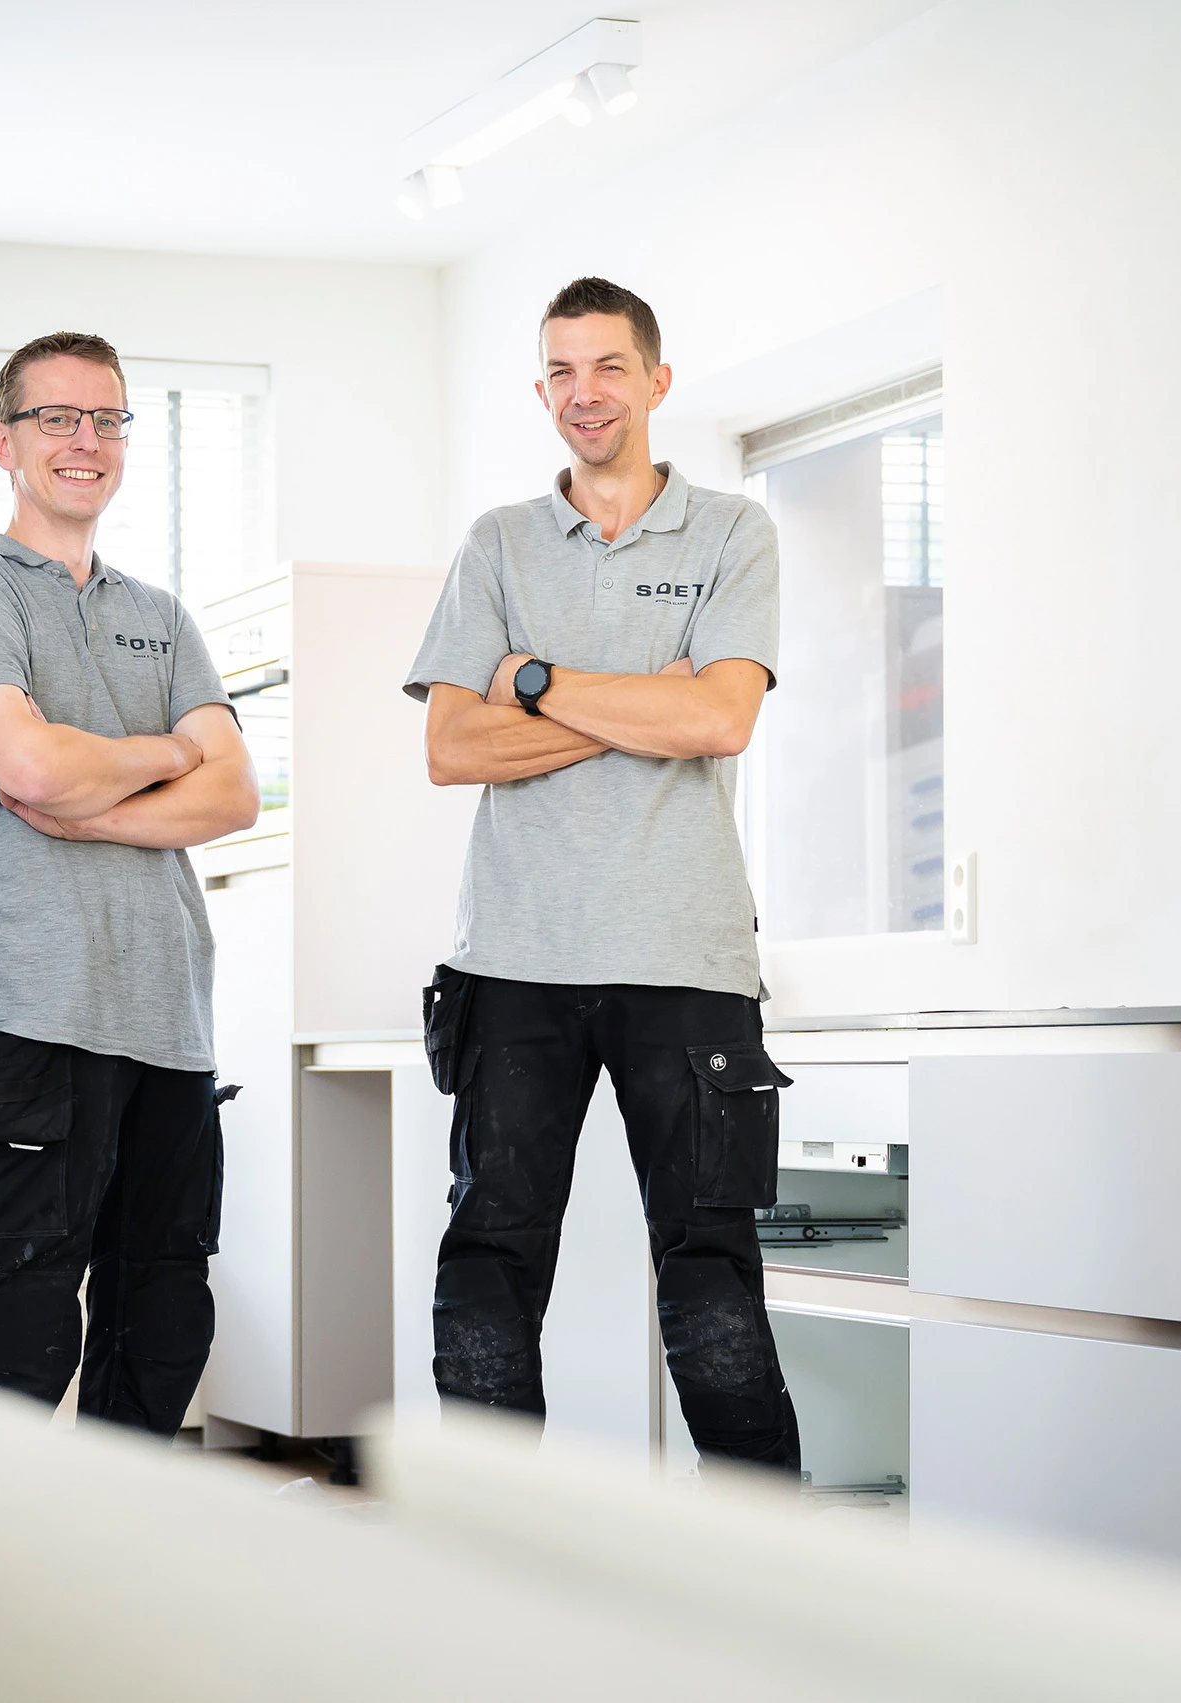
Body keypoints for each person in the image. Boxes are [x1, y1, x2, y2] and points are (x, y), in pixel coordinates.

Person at [404, 277, 801, 1472]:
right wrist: (644, 706)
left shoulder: (732, 532)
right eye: (562, 371)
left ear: (656, 380)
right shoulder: (498, 543)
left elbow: (721, 719)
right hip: (512, 963)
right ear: (542, 390)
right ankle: (491, 1534)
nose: (585, 393)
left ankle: (757, 1546)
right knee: (489, 1257)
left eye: (609, 366)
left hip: (686, 959)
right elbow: (450, 746)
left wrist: (533, 682)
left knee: (710, 1266)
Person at [0, 331, 259, 1432]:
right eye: (56, 417)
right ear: (3, 441)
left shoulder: (162, 616)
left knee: (160, 1331)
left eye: (106, 419)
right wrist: (170, 749)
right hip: (34, 1016)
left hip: (170, 1024)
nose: (85, 441)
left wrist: (96, 802)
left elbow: (235, 794)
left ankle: (117, 1538)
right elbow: (29, 767)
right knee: (16, 1337)